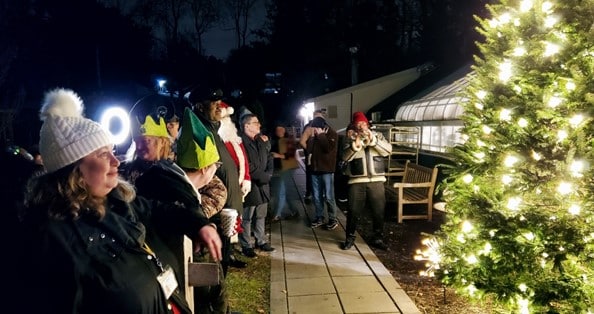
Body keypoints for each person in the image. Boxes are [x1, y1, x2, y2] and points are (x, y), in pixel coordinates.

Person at [16, 88, 221, 314]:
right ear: (73, 170)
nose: (116, 161)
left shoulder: (113, 201)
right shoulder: (52, 238)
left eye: (112, 151)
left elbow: (159, 210)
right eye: (103, 154)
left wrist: (199, 224)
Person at [189, 88, 247, 270]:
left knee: (223, 261)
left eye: (219, 103)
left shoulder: (213, 131)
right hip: (216, 212)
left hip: (227, 208)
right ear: (199, 106)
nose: (219, 107)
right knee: (213, 265)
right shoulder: (198, 133)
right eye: (214, 103)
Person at [340, 112, 392, 251]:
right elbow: (345, 157)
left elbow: (388, 151)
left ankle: (378, 238)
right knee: (353, 211)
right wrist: (355, 144)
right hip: (356, 181)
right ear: (354, 125)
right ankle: (349, 239)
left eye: (363, 123)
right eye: (358, 124)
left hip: (376, 180)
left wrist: (373, 140)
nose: (361, 126)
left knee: (378, 211)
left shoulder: (378, 135)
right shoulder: (349, 137)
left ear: (367, 124)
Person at [238, 109, 275, 257]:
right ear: (247, 126)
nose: (259, 125)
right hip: (251, 185)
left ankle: (261, 240)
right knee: (247, 217)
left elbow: (269, 157)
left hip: (263, 184)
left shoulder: (261, 140)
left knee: (261, 215)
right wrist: (262, 176)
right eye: (256, 123)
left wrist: (269, 174)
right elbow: (246, 164)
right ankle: (246, 244)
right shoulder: (240, 142)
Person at [299, 115, 340, 230]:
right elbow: (309, 149)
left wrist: (321, 135)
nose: (314, 130)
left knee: (329, 196)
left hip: (327, 170)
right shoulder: (315, 135)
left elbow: (327, 148)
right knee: (317, 196)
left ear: (322, 127)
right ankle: (319, 217)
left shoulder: (332, 134)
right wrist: (313, 137)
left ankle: (333, 218)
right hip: (314, 170)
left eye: (315, 128)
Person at [271, 121, 299, 221]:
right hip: (280, 169)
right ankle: (294, 211)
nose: (279, 131)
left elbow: (291, 154)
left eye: (281, 129)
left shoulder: (288, 140)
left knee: (281, 191)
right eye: (277, 129)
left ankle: (277, 214)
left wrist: (278, 155)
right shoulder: (275, 140)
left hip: (288, 168)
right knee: (285, 191)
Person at [300, 109, 325, 201]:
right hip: (315, 157)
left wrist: (310, 151)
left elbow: (302, 142)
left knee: (313, 174)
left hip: (314, 156)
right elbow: (302, 142)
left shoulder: (309, 126)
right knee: (315, 175)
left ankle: (311, 193)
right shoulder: (310, 127)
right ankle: (313, 193)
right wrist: (311, 151)